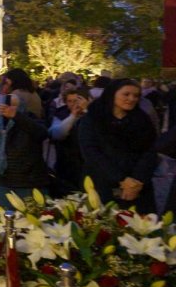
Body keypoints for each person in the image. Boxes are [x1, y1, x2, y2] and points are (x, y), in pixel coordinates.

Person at [78, 79, 159, 213]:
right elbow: (90, 151)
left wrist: (137, 180)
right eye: (126, 94)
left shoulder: (142, 119)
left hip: (136, 185)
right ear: (112, 94)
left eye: (136, 95)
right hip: (102, 181)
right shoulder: (93, 118)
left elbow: (150, 150)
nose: (131, 99)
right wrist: (121, 179)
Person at [0, 90, 47, 210]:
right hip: (0, 178)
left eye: (11, 105)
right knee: (3, 216)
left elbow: (41, 133)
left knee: (27, 217)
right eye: (4, 104)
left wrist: (16, 116)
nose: (6, 108)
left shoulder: (29, 117)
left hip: (26, 180)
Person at [49, 86, 90, 195]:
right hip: (66, 163)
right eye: (69, 101)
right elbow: (58, 134)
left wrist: (86, 111)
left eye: (76, 101)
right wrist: (73, 116)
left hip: (86, 164)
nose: (73, 104)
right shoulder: (61, 114)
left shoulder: (92, 114)